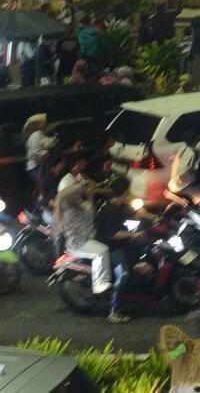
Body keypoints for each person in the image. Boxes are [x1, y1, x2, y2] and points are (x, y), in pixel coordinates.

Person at [56, 155, 127, 321]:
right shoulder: (73, 208)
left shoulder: (82, 197)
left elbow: (91, 191)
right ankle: (106, 297)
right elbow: (73, 200)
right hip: (80, 242)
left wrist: (97, 190)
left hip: (88, 236)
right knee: (112, 262)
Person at [25, 114, 57, 203]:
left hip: (39, 165)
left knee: (47, 184)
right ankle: (44, 204)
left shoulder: (39, 134)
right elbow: (35, 152)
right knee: (46, 184)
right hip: (35, 167)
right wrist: (47, 153)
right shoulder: (36, 135)